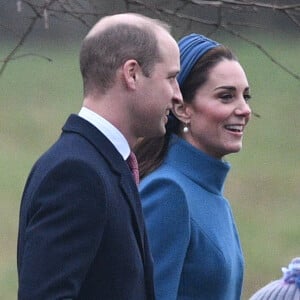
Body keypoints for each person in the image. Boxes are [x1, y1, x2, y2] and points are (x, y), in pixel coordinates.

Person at [17, 13, 182, 300]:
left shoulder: (104, 164)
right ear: (131, 74)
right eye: (171, 78)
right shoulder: (76, 173)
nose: (178, 95)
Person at [135, 33, 252, 299]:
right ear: (182, 108)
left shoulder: (211, 195)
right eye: (226, 97)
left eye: (246, 96)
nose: (244, 109)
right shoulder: (168, 191)